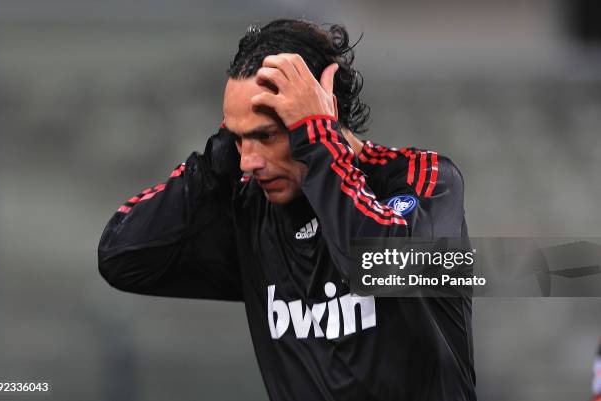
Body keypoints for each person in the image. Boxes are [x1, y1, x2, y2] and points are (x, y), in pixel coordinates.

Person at [98, 18, 475, 401]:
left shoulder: (426, 181)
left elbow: (381, 266)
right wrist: (218, 158)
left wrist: (318, 140)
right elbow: (122, 258)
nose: (248, 162)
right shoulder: (252, 212)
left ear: (322, 113)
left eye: (265, 135)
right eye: (238, 138)